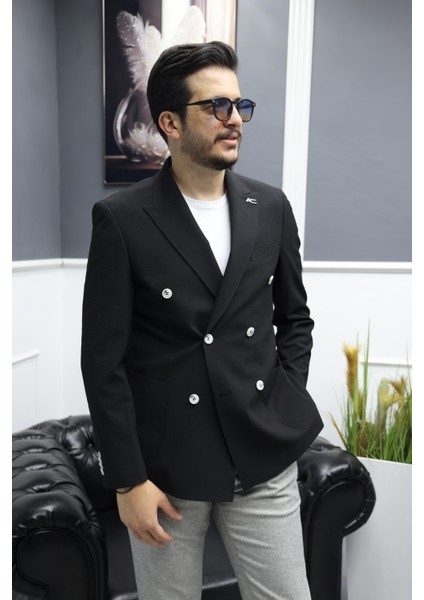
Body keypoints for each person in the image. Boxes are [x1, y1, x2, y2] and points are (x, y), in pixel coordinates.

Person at [81, 41, 323, 600]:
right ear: (170, 123)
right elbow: (103, 360)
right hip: (165, 467)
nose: (234, 119)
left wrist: (282, 398)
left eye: (239, 105)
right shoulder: (122, 218)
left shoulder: (272, 207)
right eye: (216, 106)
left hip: (260, 453)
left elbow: (295, 319)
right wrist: (128, 480)